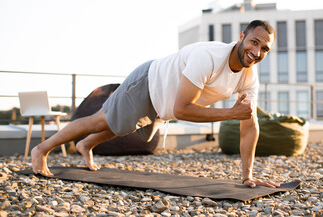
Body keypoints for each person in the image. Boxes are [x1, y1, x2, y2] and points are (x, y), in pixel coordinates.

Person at [31, 19, 280, 188]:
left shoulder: (249, 77)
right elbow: (183, 109)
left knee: (122, 126)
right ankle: (41, 150)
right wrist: (230, 113)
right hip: (148, 83)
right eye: (254, 42)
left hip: (162, 101)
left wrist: (248, 177)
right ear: (241, 37)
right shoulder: (209, 57)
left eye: (264, 49)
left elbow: (249, 124)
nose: (257, 52)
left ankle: (86, 144)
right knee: (100, 119)